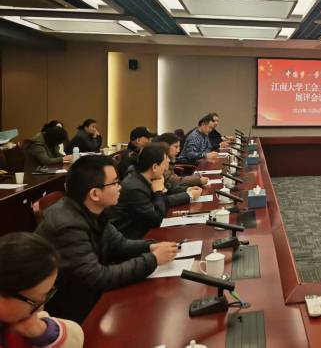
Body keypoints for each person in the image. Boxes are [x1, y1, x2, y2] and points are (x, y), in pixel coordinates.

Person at [36, 155, 178, 324]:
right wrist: (153, 259)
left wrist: (150, 247)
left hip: (86, 294)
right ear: (95, 193)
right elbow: (98, 278)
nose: (120, 187)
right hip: (69, 308)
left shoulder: (93, 210)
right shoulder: (67, 225)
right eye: (115, 183)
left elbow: (120, 245)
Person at [0, 232, 84, 348]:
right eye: (35, 301)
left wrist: (39, 330)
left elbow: (75, 338)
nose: (40, 307)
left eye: (46, 296)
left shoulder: (24, 318)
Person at [109, 143, 201, 239]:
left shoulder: (147, 177)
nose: (168, 162)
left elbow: (164, 200)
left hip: (145, 230)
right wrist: (158, 192)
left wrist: (188, 194)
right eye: (165, 161)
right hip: (134, 237)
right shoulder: (134, 188)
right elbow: (156, 219)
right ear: (155, 167)